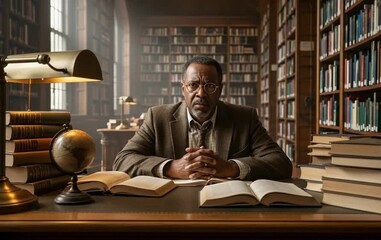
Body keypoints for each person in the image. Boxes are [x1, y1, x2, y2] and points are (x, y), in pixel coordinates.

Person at [113, 56, 292, 180]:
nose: (201, 93)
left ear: (220, 90)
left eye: (210, 86)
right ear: (183, 89)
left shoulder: (244, 117)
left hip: (230, 209)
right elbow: (122, 160)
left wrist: (231, 168)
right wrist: (171, 168)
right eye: (193, 85)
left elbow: (281, 163)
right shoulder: (158, 117)